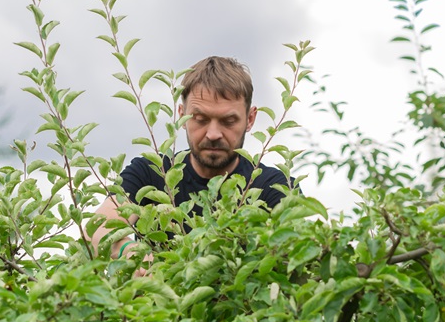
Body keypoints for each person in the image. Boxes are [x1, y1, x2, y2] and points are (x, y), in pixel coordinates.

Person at [89, 56, 295, 261]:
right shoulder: (152, 173)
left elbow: (295, 252)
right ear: (182, 115)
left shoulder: (274, 186)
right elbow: (96, 230)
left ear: (250, 119)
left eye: (228, 120)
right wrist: (131, 252)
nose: (213, 133)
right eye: (201, 119)